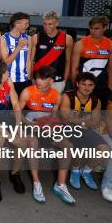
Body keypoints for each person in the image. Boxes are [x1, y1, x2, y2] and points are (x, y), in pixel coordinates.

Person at [19, 66, 75, 204]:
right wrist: (29, 124)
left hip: (47, 127)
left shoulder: (57, 95)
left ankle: (60, 184)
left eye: (43, 79)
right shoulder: (27, 92)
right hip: (30, 125)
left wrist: (51, 127)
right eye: (37, 77)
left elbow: (54, 116)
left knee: (67, 145)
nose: (38, 81)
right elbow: (17, 114)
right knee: (33, 144)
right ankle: (37, 183)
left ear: (51, 81)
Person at [0, 61, 31, 197]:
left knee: (22, 142)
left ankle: (14, 173)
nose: (8, 73)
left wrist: (19, 126)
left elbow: (16, 104)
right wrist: (8, 136)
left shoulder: (8, 82)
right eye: (6, 72)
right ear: (0, 75)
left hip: (6, 120)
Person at [59, 72, 109, 191]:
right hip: (67, 128)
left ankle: (86, 171)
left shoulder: (96, 101)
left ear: (94, 86)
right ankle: (75, 170)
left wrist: (77, 119)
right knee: (79, 146)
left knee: (105, 149)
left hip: (86, 130)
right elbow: (65, 118)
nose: (87, 88)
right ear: (77, 84)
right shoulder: (68, 96)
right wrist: (84, 121)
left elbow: (95, 122)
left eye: (90, 85)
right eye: (84, 84)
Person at [71, 16, 112, 109]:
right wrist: (75, 87)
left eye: (96, 28)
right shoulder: (80, 44)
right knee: (81, 113)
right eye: (91, 28)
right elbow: (74, 69)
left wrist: (110, 88)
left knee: (100, 115)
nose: (93, 31)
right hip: (83, 87)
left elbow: (111, 68)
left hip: (102, 87)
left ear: (105, 28)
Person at [29, 11, 73, 95]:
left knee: (54, 106)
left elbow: (68, 61)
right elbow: (30, 60)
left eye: (50, 24)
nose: (46, 27)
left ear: (56, 23)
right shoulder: (36, 37)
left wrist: (65, 79)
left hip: (58, 80)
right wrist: (32, 78)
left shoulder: (67, 38)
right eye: (45, 24)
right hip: (39, 79)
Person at [2, 12, 32, 96]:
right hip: (9, 80)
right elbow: (6, 63)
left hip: (25, 81)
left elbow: (28, 61)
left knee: (23, 108)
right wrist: (19, 47)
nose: (27, 26)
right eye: (25, 23)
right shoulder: (4, 39)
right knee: (10, 108)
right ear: (17, 23)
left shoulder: (28, 38)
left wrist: (29, 79)